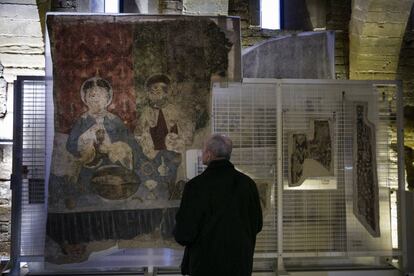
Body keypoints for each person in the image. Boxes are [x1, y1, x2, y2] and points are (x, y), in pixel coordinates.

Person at [173, 134, 263, 276]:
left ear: (209, 154)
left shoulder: (196, 187)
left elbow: (184, 234)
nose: (202, 153)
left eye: (203, 150)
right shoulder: (248, 184)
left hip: (205, 267)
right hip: (240, 267)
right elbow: (257, 225)